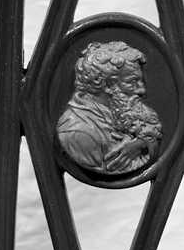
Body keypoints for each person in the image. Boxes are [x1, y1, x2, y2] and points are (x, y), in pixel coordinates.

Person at [57, 41, 162, 174]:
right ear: (107, 86)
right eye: (132, 82)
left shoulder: (120, 111)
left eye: (140, 81)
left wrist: (142, 143)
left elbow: (150, 131)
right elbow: (105, 171)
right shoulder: (79, 134)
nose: (142, 90)